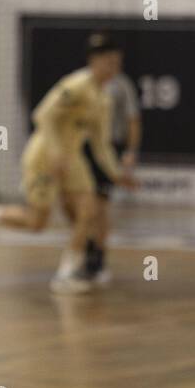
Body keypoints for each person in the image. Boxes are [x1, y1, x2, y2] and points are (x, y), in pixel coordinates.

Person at [0, 33, 137, 293]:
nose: (115, 69)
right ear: (95, 62)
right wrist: (56, 151)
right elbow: (43, 115)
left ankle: (68, 273)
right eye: (110, 62)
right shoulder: (75, 85)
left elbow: (101, 145)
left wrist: (116, 174)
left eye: (118, 63)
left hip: (72, 159)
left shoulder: (104, 100)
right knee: (37, 222)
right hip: (45, 155)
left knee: (89, 211)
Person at [79, 62, 141, 284]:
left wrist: (128, 154)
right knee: (81, 204)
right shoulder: (80, 84)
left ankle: (96, 257)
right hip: (82, 148)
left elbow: (132, 120)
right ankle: (85, 251)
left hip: (107, 147)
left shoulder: (120, 86)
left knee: (99, 204)